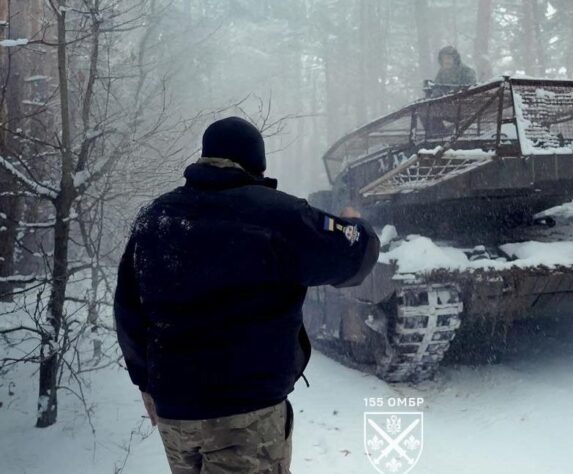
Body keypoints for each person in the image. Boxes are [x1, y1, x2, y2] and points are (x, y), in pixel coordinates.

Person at [114, 116, 380, 474]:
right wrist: (356, 223)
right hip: (245, 417)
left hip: (175, 415)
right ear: (256, 163)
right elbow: (356, 256)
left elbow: (128, 310)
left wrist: (144, 383)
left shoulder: (154, 219)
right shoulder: (277, 214)